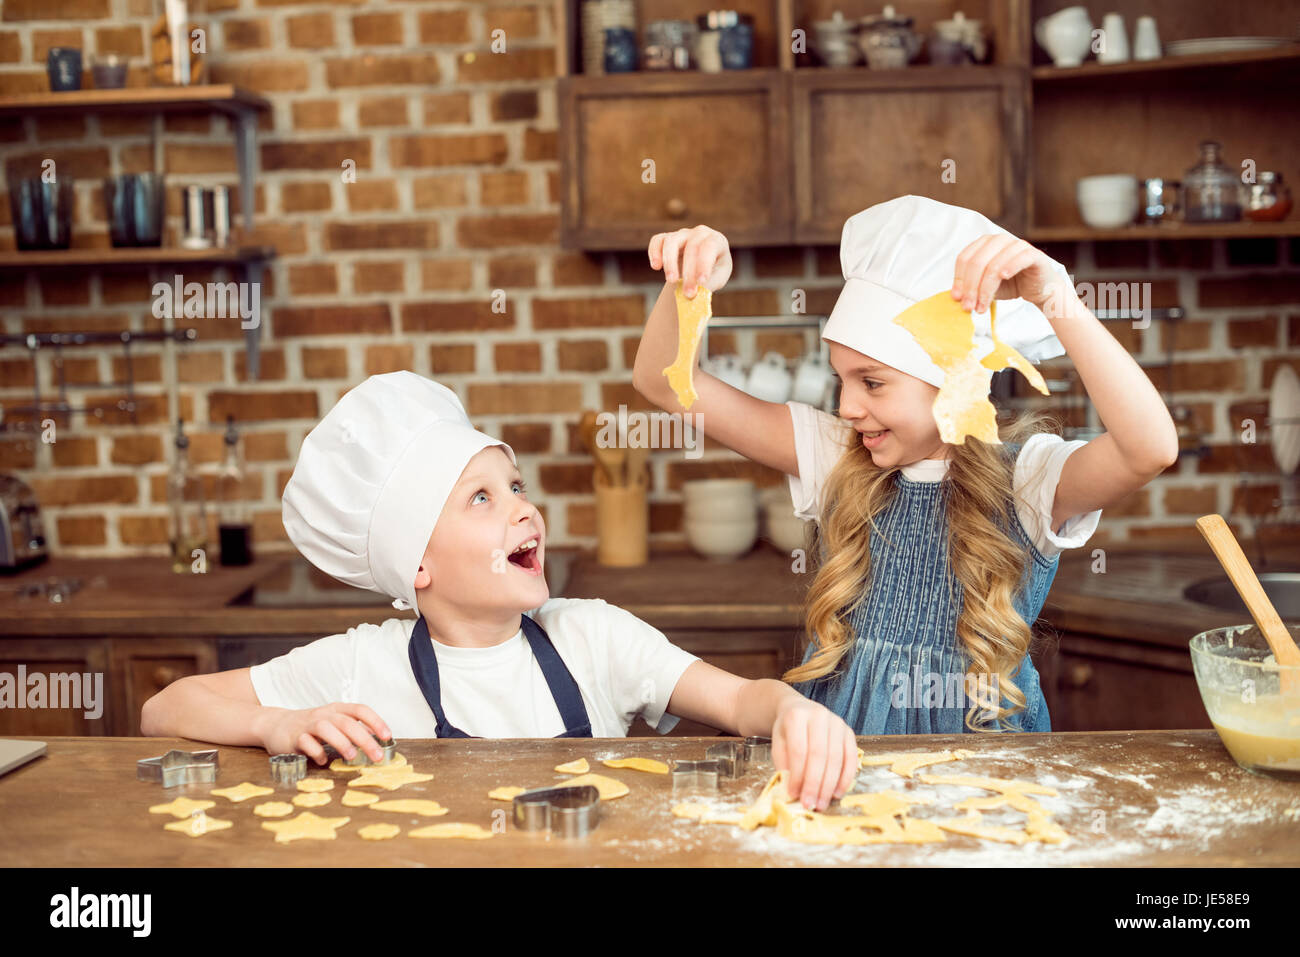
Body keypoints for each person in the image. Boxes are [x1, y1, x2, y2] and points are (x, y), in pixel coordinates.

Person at [141, 371, 859, 810]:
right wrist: (275, 726)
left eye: (515, 485)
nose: (523, 507)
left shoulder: (591, 636)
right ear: (416, 565)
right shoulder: (363, 665)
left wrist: (791, 707)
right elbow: (163, 708)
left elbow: (738, 701)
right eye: (480, 498)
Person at [632, 195, 1179, 734]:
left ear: (952, 380)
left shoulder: (1029, 482)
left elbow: (1148, 448)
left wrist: (1055, 296)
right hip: (842, 752)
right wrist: (688, 283)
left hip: (986, 778)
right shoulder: (834, 454)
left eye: (872, 382)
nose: (846, 407)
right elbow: (662, 381)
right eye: (841, 380)